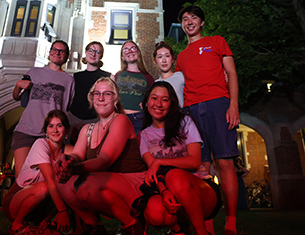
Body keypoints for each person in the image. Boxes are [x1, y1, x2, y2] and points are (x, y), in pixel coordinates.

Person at [176, 5, 240, 235]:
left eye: (193, 17)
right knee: (201, 167)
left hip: (218, 103)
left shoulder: (216, 41)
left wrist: (233, 105)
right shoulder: (181, 57)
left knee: (224, 163)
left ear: (201, 22)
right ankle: (207, 224)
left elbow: (231, 73)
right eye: (185, 19)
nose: (189, 21)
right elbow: (178, 85)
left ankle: (231, 221)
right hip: (192, 110)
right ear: (182, 25)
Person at [55, 77, 148, 235]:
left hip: (130, 181)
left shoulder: (121, 120)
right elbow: (77, 155)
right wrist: (66, 161)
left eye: (107, 94)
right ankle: (94, 226)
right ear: (91, 98)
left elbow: (104, 160)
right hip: (105, 181)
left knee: (86, 184)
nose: (101, 98)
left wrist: (73, 169)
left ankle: (133, 225)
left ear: (116, 99)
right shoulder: (87, 129)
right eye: (97, 94)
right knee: (59, 178)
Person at [139, 82, 221, 235]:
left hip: (201, 190)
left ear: (171, 104)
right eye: (154, 98)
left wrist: (160, 161)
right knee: (155, 213)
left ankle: (201, 231)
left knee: (174, 175)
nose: (158, 104)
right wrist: (163, 192)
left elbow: (194, 161)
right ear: (146, 103)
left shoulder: (185, 122)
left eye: (165, 99)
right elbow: (154, 173)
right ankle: (180, 229)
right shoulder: (144, 136)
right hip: (167, 190)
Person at [12, 40, 75, 178]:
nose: (57, 52)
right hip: (26, 129)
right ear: (50, 52)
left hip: (50, 134)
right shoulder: (34, 72)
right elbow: (17, 97)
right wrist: (17, 85)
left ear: (66, 56)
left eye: (62, 51)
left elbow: (65, 108)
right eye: (54, 49)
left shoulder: (69, 80)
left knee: (45, 177)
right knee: (22, 177)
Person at [2, 110, 71, 234]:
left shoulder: (68, 150)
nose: (55, 130)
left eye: (59, 125)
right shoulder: (40, 144)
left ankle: (44, 223)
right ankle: (16, 224)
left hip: (42, 206)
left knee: (69, 186)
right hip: (16, 202)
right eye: (51, 126)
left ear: (66, 130)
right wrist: (62, 211)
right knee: (45, 187)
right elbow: (49, 180)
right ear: (46, 131)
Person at [68, 41, 114, 145]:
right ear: (86, 52)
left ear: (101, 56)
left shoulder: (108, 77)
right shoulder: (75, 76)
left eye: (97, 52)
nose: (93, 54)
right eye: (91, 50)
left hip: (95, 120)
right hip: (74, 119)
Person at [115, 40, 155, 134]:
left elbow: (153, 99)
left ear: (138, 53)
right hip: (119, 117)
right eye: (126, 49)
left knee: (138, 147)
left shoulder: (148, 77)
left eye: (133, 48)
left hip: (139, 118)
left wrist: (147, 104)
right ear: (122, 57)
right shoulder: (118, 75)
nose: (130, 51)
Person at [153, 41, 185, 108]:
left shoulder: (181, 76)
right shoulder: (156, 84)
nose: (164, 60)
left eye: (167, 56)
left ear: (173, 59)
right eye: (160, 57)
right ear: (155, 61)